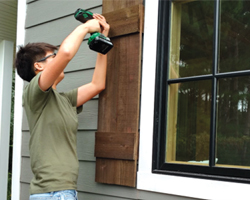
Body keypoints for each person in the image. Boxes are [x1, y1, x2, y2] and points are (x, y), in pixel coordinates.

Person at [15, 13, 110, 200]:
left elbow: (97, 85)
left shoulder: (64, 100)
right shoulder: (34, 94)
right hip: (53, 193)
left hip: (61, 192)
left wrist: (103, 42)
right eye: (53, 56)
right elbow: (66, 53)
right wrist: (85, 27)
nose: (58, 58)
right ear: (38, 67)